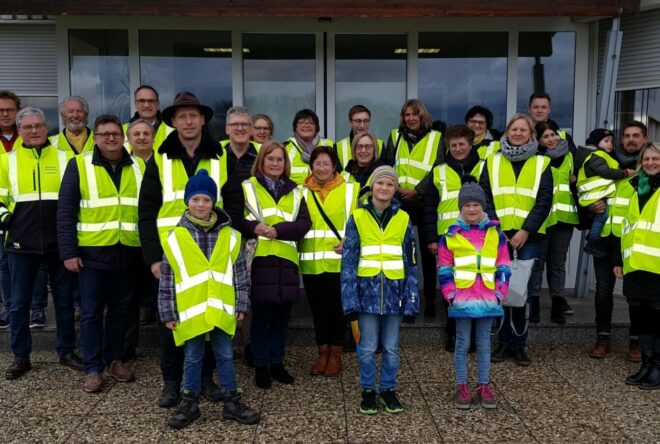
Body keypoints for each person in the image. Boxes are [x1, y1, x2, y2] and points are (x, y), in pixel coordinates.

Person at [138, 91, 242, 407]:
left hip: (212, 254)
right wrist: (154, 257)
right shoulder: (159, 155)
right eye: (181, 116)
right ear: (172, 121)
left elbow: (235, 203)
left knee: (209, 318)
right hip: (174, 257)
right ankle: (172, 382)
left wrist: (231, 248)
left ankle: (205, 380)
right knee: (172, 322)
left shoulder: (220, 155)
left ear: (203, 119)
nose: (187, 121)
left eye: (193, 115)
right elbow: (146, 209)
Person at [159, 169, 260, 428]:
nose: (201, 205)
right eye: (196, 199)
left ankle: (231, 402)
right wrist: (167, 312)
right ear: (187, 202)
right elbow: (168, 278)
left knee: (224, 355)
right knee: (192, 357)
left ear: (213, 202)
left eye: (206, 199)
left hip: (221, 309)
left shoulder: (229, 235)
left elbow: (239, 274)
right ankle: (189, 403)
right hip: (190, 312)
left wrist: (242, 305)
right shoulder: (176, 237)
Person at [57, 114, 143, 392]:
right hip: (92, 255)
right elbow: (66, 212)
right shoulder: (79, 165)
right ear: (95, 138)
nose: (110, 138)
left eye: (115, 134)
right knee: (92, 313)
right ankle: (93, 368)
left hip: (128, 252)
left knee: (121, 311)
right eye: (104, 134)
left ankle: (114, 359)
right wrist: (69, 251)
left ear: (123, 136)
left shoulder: (139, 166)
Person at [0, 108, 82, 380]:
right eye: (27, 127)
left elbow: (76, 198)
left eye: (38, 126)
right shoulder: (6, 160)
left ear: (46, 128)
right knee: (19, 304)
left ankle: (67, 351)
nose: (34, 131)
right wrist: (7, 219)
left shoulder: (66, 157)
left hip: (59, 242)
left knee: (64, 301)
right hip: (21, 243)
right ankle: (21, 356)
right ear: (19, 129)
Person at [341, 165, 419, 414]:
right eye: (380, 183)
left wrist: (412, 299)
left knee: (392, 347)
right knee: (366, 346)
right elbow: (349, 262)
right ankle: (367, 390)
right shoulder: (357, 217)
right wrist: (349, 299)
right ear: (372, 186)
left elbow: (411, 262)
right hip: (367, 295)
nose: (384, 188)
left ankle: (387, 389)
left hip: (395, 294)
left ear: (395, 189)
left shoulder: (404, 219)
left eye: (390, 184)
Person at [480, 113, 553, 366]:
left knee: (522, 292)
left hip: (528, 237)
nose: (518, 133)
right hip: (499, 235)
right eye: (514, 129)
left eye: (524, 130)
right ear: (507, 132)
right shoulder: (492, 161)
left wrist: (525, 230)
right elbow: (484, 197)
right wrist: (496, 227)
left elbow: (544, 201)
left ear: (531, 134)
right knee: (500, 291)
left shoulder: (542, 163)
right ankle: (503, 343)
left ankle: (519, 345)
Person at [242, 141, 311, 389]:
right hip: (259, 260)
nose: (274, 163)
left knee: (282, 318)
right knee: (261, 318)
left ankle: (277, 363)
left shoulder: (296, 191)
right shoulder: (248, 187)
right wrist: (253, 227)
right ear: (261, 161)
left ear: (285, 163)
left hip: (286, 260)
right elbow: (237, 218)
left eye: (279, 159)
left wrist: (277, 230)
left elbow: (304, 223)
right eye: (270, 158)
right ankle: (261, 366)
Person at [438, 177, 511, 409]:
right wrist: (450, 295)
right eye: (467, 205)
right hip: (462, 299)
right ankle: (462, 385)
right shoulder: (451, 236)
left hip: (488, 298)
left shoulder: (496, 234)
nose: (472, 209)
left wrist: (500, 292)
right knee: (462, 342)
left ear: (483, 207)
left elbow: (504, 266)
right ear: (460, 208)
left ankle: (483, 384)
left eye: (476, 205)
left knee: (484, 342)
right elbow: (444, 269)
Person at [418, 124, 484, 351]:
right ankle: (454, 333)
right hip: (448, 239)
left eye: (461, 144)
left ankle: (476, 336)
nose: (457, 149)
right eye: (453, 145)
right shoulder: (439, 171)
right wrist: (431, 239)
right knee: (452, 287)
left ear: (470, 144)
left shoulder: (485, 167)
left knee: (476, 285)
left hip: (479, 239)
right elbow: (429, 207)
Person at [586, 121, 647, 361]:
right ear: (621, 140)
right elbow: (585, 190)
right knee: (602, 291)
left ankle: (636, 342)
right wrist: (589, 206)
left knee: (634, 294)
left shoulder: (649, 168)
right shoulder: (607, 163)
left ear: (644, 139)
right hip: (604, 238)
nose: (631, 140)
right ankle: (602, 338)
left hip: (632, 240)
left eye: (636, 136)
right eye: (627, 136)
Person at [381, 99, 443, 317]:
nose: (411, 118)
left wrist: (418, 190)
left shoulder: (437, 138)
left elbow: (438, 168)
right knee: (403, 254)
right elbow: (387, 165)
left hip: (424, 201)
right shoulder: (395, 136)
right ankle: (404, 300)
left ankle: (429, 301)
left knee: (427, 254)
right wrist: (396, 189)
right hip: (400, 202)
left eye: (414, 114)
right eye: (407, 115)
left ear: (422, 116)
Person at [301, 146, 359, 377]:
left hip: (338, 262)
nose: (322, 168)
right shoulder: (301, 192)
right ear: (311, 166)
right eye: (317, 164)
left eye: (326, 163)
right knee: (317, 311)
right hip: (311, 263)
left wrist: (350, 242)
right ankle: (322, 353)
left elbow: (358, 223)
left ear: (334, 166)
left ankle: (335, 354)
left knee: (337, 311)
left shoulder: (350, 190)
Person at [0, 91, 48, 331]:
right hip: (10, 223)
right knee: (4, 266)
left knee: (37, 268)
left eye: (9, 109)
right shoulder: (7, 154)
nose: (5, 114)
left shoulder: (32, 139)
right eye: (1, 110)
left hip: (37, 224)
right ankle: (9, 310)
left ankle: (37, 309)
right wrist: (6, 219)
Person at [615, 143, 660, 389]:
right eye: (647, 159)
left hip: (657, 268)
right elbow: (625, 228)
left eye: (656, 159)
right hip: (635, 266)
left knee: (657, 319)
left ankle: (657, 368)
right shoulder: (634, 189)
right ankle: (646, 363)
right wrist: (618, 260)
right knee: (640, 319)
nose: (652, 163)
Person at [528, 122, 579, 325]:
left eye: (553, 135)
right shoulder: (536, 160)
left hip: (564, 220)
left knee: (557, 264)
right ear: (538, 141)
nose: (551, 139)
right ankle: (534, 304)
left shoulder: (569, 157)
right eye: (545, 136)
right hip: (542, 221)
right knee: (537, 264)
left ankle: (558, 303)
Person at [221, 106, 260, 367]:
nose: (240, 128)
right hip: (219, 233)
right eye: (235, 124)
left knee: (249, 290)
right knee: (222, 289)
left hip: (251, 234)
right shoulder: (215, 155)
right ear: (226, 129)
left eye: (245, 124)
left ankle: (248, 344)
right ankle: (223, 344)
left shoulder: (260, 156)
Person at [577, 129, 635, 258]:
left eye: (612, 142)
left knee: (601, 216)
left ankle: (593, 235)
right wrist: (624, 173)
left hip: (598, 193)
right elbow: (606, 172)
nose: (610, 144)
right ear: (596, 142)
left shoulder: (603, 155)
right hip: (595, 194)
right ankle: (593, 240)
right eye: (606, 141)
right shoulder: (597, 155)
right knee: (601, 216)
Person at [284, 109, 334, 185]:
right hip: (295, 195)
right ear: (295, 127)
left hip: (322, 194)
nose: (306, 125)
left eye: (311, 123)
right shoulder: (285, 147)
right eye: (301, 122)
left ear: (316, 127)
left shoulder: (329, 145)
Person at [123, 85, 173, 152]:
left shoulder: (171, 131)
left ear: (157, 105)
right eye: (142, 101)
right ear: (135, 104)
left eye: (151, 101)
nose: (146, 105)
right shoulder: (121, 131)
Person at [335, 105, 383, 170]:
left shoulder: (380, 144)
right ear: (350, 122)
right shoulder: (338, 147)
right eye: (358, 121)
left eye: (366, 121)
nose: (362, 125)